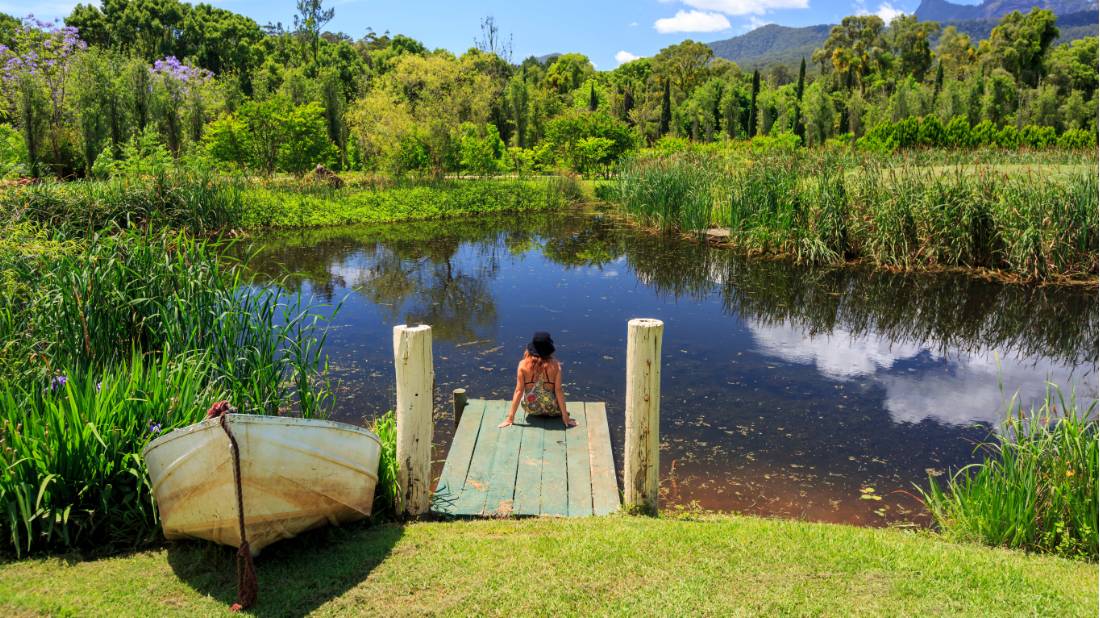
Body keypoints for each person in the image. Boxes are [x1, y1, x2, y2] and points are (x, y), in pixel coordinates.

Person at [499, 331, 576, 428]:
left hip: (531, 408)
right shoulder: (556, 365)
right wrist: (566, 417)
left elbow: (518, 391)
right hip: (552, 409)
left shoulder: (522, 365)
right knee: (555, 392)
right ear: (549, 349)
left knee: (523, 391)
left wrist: (510, 418)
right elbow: (558, 390)